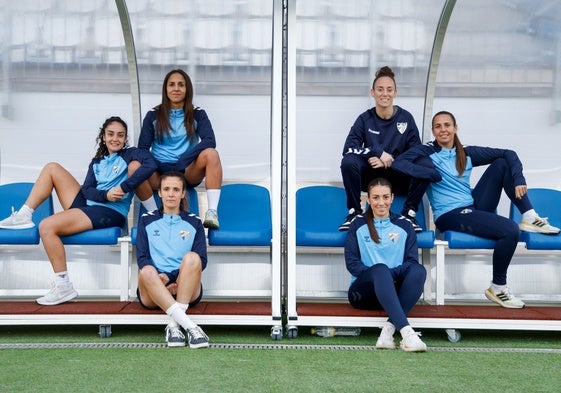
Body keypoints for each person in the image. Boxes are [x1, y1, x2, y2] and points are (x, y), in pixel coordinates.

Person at [392, 110, 560, 309]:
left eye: (447, 125)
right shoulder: (427, 152)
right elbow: (399, 163)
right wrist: (428, 173)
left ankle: (530, 215)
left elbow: (509, 153)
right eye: (438, 126)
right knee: (510, 230)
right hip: (449, 214)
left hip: (473, 207)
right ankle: (498, 287)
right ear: (433, 131)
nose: (443, 129)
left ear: (455, 128)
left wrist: (519, 178)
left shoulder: (467, 153)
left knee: (502, 163)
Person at [0, 116, 157, 305]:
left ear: (125, 139)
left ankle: (63, 286)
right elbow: (87, 190)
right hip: (91, 203)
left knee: (47, 227)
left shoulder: (131, 154)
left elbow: (150, 165)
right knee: (52, 168)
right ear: (104, 137)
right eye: (111, 134)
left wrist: (123, 188)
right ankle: (24, 214)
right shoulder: (97, 161)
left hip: (110, 212)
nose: (115, 138)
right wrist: (105, 194)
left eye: (120, 135)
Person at [339, 66, 427, 232]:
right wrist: (376, 152)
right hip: (371, 177)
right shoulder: (365, 119)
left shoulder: (406, 118)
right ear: (372, 92)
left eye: (389, 89)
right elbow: (348, 149)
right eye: (380, 89)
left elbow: (417, 153)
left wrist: (390, 161)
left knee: (425, 163)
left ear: (395, 92)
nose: (384, 94)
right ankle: (354, 213)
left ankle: (409, 214)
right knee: (349, 162)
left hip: (398, 177)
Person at [345, 178, 427, 352]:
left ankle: (387, 332)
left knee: (418, 271)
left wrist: (389, 277)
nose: (380, 203)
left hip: (393, 294)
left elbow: (411, 263)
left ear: (392, 198)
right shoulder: (358, 224)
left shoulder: (405, 225)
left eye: (385, 197)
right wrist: (381, 275)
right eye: (375, 198)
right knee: (380, 270)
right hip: (363, 293)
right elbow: (352, 264)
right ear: (368, 200)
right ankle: (407, 334)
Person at [138, 69, 222, 230]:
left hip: (187, 171)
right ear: (165, 89)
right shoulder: (153, 115)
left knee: (211, 154)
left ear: (187, 89)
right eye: (172, 85)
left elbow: (210, 140)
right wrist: (157, 165)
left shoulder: (198, 114)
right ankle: (154, 214)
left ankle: (212, 212)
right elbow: (142, 149)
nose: (176, 89)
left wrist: (185, 159)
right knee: (135, 165)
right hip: (158, 172)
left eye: (181, 85)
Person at [136, 171, 209, 348]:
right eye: (166, 189)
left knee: (193, 258)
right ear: (159, 192)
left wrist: (174, 278)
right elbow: (142, 257)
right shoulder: (146, 220)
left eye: (176, 189)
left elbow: (202, 260)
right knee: (146, 270)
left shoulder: (195, 222)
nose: (171, 194)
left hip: (185, 288)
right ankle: (190, 327)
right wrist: (163, 279)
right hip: (154, 287)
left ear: (183, 193)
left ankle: (174, 327)